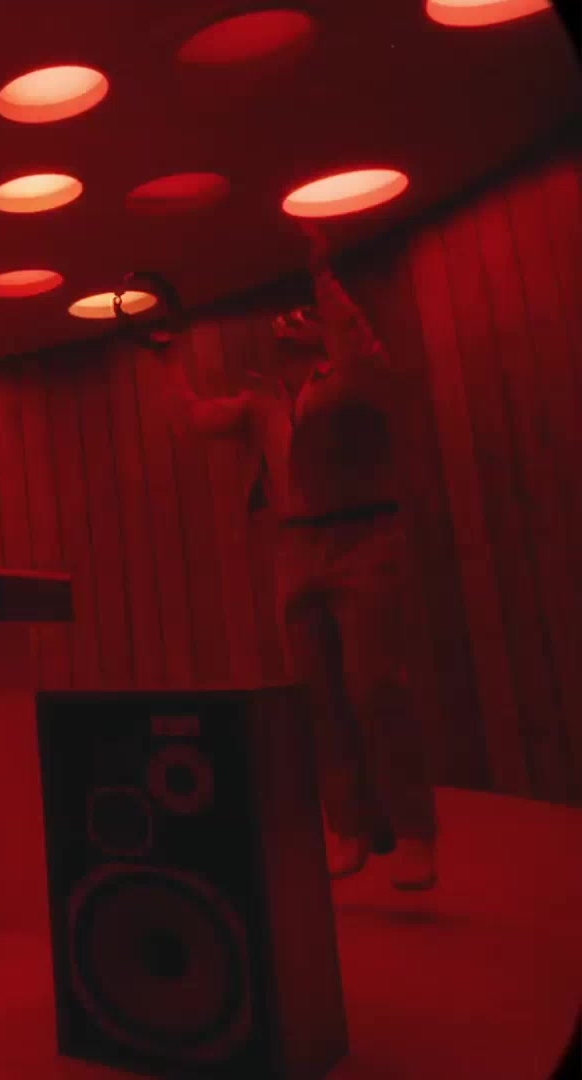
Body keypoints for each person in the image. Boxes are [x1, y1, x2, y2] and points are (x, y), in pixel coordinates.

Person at [152, 221, 437, 890]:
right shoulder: (263, 403)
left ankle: (414, 831)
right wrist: (168, 361)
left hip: (364, 539)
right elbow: (193, 419)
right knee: (317, 695)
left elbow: (359, 345)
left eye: (300, 322)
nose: (286, 331)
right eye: (282, 327)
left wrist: (324, 277)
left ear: (320, 334)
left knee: (376, 687)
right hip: (297, 548)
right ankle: (348, 826)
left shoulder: (352, 383)